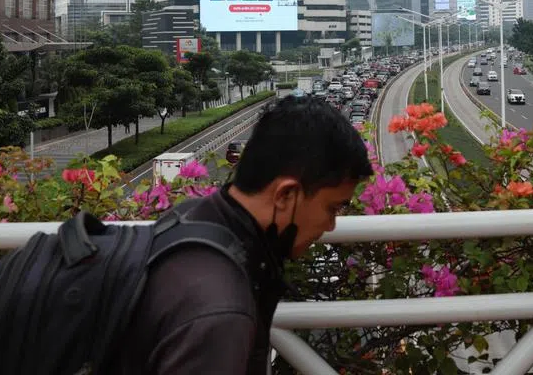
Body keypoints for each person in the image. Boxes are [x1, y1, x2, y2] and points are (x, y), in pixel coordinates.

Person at [110, 94, 373, 374]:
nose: (331, 226)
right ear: (285, 195)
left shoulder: (191, 218)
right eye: (332, 208)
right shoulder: (219, 309)